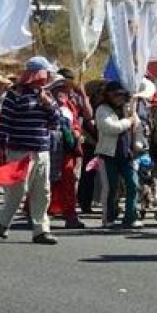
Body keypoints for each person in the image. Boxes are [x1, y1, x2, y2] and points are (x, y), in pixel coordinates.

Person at [0, 56, 61, 245]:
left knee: (43, 191)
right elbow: (5, 122)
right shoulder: (15, 95)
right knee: (17, 190)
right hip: (19, 150)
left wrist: (48, 105)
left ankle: (41, 230)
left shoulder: (47, 95)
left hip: (41, 150)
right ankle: (3, 219)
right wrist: (1, 145)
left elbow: (55, 122)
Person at [48, 68, 91, 229]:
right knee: (46, 181)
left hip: (67, 147)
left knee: (68, 179)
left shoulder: (71, 102)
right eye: (57, 87)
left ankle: (71, 215)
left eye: (63, 86)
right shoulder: (44, 103)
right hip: (48, 146)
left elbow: (84, 117)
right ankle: (40, 212)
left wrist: (77, 132)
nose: (61, 90)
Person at [95, 81, 141, 228]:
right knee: (111, 188)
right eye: (115, 94)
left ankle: (130, 217)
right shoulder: (102, 110)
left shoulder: (126, 108)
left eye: (121, 94)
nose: (119, 97)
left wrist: (132, 115)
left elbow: (137, 124)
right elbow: (110, 127)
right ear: (108, 95)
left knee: (133, 184)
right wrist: (129, 121)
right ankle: (108, 219)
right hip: (108, 155)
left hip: (126, 155)